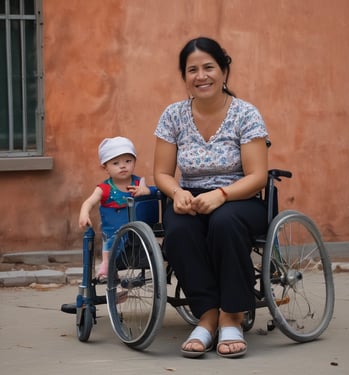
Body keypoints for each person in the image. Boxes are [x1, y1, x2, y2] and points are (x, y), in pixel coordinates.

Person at [153, 37, 269, 358]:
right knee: (177, 232)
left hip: (240, 198)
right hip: (190, 196)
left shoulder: (245, 114)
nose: (201, 76)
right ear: (184, 77)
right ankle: (207, 314)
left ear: (224, 71)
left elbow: (258, 175)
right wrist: (177, 193)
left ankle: (232, 315)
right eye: (192, 70)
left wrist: (221, 194)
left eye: (208, 67)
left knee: (225, 222)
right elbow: (161, 173)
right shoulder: (173, 115)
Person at [79, 136, 155, 282]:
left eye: (128, 161)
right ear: (105, 167)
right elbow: (89, 202)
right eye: (115, 163)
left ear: (134, 162)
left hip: (138, 231)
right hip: (115, 231)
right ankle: (108, 268)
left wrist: (146, 191)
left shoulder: (139, 183)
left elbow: (154, 191)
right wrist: (84, 213)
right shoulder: (105, 188)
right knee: (112, 242)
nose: (123, 166)